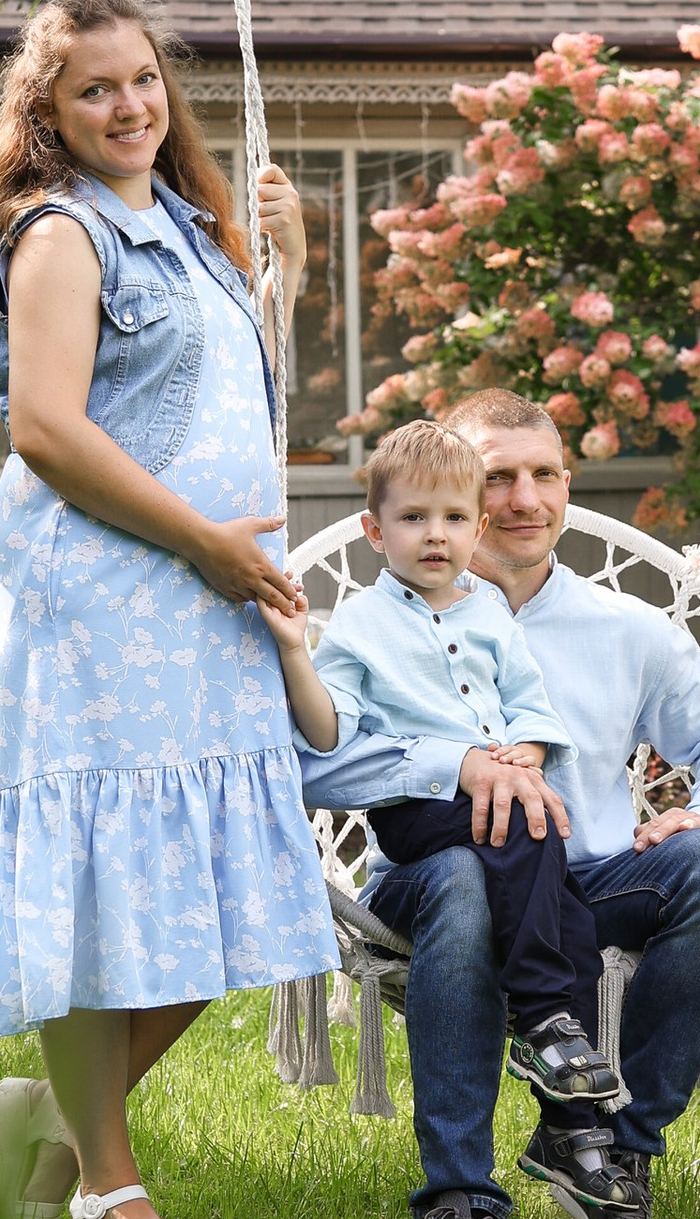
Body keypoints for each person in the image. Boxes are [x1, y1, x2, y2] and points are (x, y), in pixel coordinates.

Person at [0, 0, 335, 1219]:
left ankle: (47, 1126)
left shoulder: (180, 224)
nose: (128, 105)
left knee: (221, 898)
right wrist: (205, 544)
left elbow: (221, 387)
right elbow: (47, 431)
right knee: (107, 893)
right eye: (94, 88)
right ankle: (108, 1199)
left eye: (143, 80)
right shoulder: (61, 236)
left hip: (202, 595)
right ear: (47, 115)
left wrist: (288, 261)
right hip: (95, 604)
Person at [359, 390, 700, 1219]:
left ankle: (610, 1151)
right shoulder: (385, 626)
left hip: (579, 877)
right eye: (496, 477)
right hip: (427, 879)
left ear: (568, 486)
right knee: (467, 877)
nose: (523, 499)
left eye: (543, 474)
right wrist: (452, 766)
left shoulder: (621, 628)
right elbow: (324, 748)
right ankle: (459, 1200)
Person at [266, 419, 625, 1126]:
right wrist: (293, 653)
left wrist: (532, 752)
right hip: (416, 810)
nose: (436, 535)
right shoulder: (362, 623)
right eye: (413, 518)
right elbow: (326, 733)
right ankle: (542, 1017)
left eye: (454, 518)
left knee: (565, 901)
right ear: (375, 530)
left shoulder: (489, 611)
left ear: (478, 525)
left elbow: (528, 700)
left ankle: (571, 1067)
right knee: (530, 834)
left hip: (501, 808)